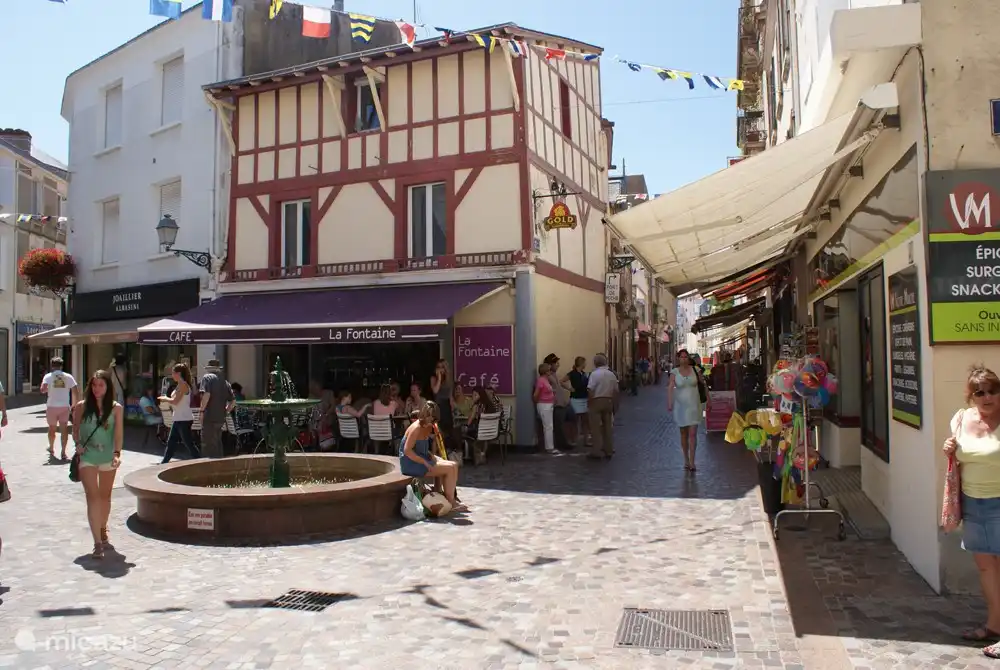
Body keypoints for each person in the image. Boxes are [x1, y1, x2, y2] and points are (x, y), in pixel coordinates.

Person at [943, 366, 1000, 658]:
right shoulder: (961, 418)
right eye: (980, 392)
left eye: (993, 390)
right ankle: (994, 626)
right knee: (986, 567)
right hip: (973, 503)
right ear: (971, 396)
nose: (987, 397)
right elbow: (957, 452)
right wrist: (949, 447)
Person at [72, 370, 124, 559]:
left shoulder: (116, 408)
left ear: (108, 387)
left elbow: (118, 434)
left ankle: (103, 528)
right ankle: (97, 542)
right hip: (88, 457)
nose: (96, 389)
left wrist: (117, 453)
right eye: (94, 385)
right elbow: (75, 430)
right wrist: (77, 444)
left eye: (101, 385)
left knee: (105, 497)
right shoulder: (81, 407)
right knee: (92, 498)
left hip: (108, 456)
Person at [399, 402, 463, 510]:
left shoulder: (429, 427)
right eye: (431, 418)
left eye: (434, 419)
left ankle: (440, 492)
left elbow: (420, 447)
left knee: (453, 464)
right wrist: (424, 462)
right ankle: (450, 502)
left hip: (420, 457)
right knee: (449, 469)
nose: (432, 421)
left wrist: (430, 455)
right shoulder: (416, 428)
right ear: (425, 415)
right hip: (411, 462)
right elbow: (407, 451)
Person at [669, 349, 703, 472]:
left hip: (694, 406)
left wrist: (709, 399)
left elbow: (703, 384)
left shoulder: (696, 370)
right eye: (681, 357)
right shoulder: (674, 372)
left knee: (693, 434)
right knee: (684, 434)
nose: (684, 359)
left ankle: (693, 462)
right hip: (680, 407)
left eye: (685, 357)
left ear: (688, 358)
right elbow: (670, 387)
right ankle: (686, 459)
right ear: (678, 358)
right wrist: (669, 402)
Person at [158, 363, 200, 463]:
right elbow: (175, 400)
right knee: (171, 443)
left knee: (188, 443)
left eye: (173, 372)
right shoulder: (180, 385)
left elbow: (175, 401)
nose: (172, 375)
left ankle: (200, 461)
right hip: (178, 418)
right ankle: (164, 463)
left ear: (179, 373)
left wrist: (165, 398)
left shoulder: (183, 385)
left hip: (184, 419)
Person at [40, 357, 78, 461]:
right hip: (64, 407)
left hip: (52, 406)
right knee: (64, 429)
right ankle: (63, 452)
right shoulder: (68, 376)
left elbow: (42, 390)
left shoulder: (48, 376)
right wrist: (74, 405)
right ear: (61, 366)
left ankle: (51, 448)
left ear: (52, 366)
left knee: (52, 428)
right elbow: (75, 390)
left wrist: (49, 389)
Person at [199, 359, 235, 459]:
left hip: (209, 417)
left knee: (207, 445)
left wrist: (201, 411)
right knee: (218, 443)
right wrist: (226, 411)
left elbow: (206, 395)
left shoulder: (207, 378)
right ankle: (219, 466)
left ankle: (208, 468)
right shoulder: (225, 382)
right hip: (220, 418)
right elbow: (233, 402)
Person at [587, 353, 619, 460]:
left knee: (595, 427)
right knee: (607, 427)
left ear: (596, 363)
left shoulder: (595, 374)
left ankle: (596, 451)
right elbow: (616, 391)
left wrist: (590, 401)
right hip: (608, 400)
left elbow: (590, 389)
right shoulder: (612, 374)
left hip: (597, 400)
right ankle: (608, 449)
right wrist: (615, 404)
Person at [544, 354, 572, 450]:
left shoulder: (554, 375)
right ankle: (562, 444)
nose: (558, 365)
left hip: (562, 403)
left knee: (565, 422)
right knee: (558, 425)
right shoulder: (548, 376)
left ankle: (566, 441)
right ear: (550, 364)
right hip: (556, 404)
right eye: (556, 363)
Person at [566, 356, 591, 448]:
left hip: (584, 397)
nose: (586, 364)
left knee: (585, 421)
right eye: (584, 363)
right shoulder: (572, 373)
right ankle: (574, 440)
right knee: (575, 420)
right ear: (581, 363)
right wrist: (569, 388)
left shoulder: (584, 374)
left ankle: (586, 440)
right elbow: (562, 381)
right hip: (576, 398)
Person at [431, 360, 455, 449]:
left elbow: (450, 395)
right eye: (438, 367)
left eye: (442, 367)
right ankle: (434, 456)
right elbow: (435, 391)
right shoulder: (434, 378)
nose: (440, 369)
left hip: (447, 407)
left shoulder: (449, 380)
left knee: (447, 434)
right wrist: (439, 378)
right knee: (438, 433)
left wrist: (453, 407)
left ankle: (444, 456)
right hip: (438, 406)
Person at [534, 363, 556, 453]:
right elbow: (536, 394)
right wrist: (538, 402)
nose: (550, 372)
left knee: (549, 426)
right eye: (549, 370)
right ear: (545, 371)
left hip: (548, 404)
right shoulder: (541, 380)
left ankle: (549, 446)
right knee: (548, 427)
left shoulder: (546, 380)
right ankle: (549, 447)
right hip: (544, 405)